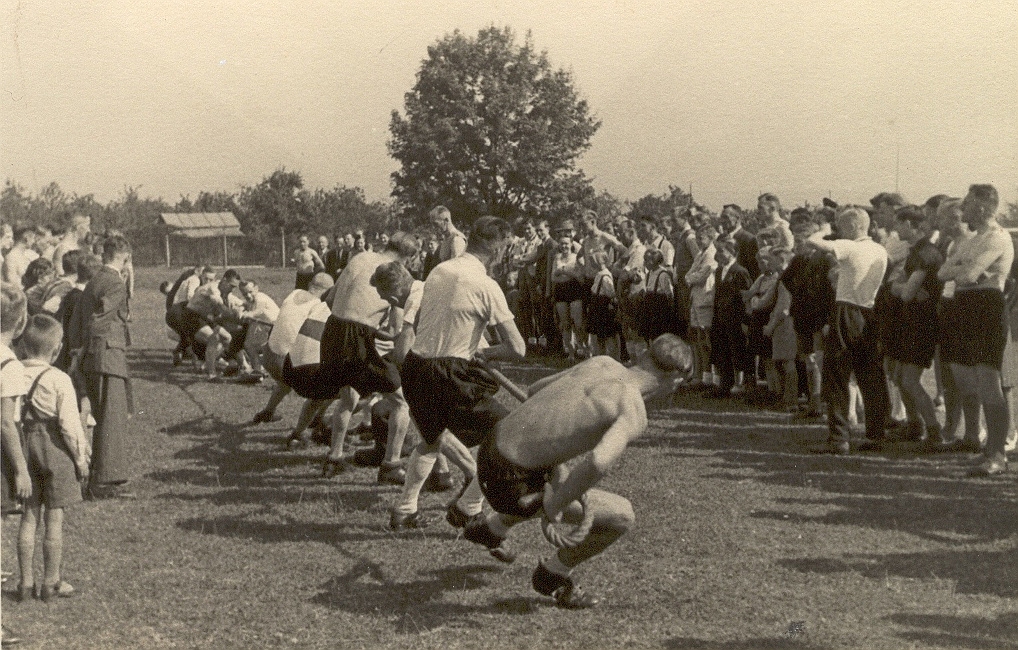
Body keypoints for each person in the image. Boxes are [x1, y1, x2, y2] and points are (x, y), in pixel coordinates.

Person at [461, 334, 691, 608]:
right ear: (675, 378)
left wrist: (555, 459)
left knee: (558, 479)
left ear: (644, 354)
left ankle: (492, 528)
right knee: (622, 516)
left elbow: (534, 390)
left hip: (489, 450)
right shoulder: (632, 410)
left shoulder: (601, 362)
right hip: (511, 483)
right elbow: (598, 462)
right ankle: (553, 575)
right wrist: (557, 503)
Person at [391, 216, 526, 531]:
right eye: (506, 247)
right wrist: (486, 353)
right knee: (510, 436)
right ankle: (468, 507)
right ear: (496, 248)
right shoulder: (486, 285)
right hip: (450, 373)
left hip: (417, 367)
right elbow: (518, 348)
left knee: (430, 441)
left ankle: (404, 510)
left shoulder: (439, 270)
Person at [937, 184, 1015, 475]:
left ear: (981, 208)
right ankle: (986, 448)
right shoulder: (973, 239)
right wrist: (966, 268)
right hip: (964, 307)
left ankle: (997, 454)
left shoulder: (998, 237)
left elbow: (967, 275)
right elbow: (943, 273)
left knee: (990, 384)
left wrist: (966, 268)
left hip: (986, 309)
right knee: (969, 382)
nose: (963, 209)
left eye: (968, 203)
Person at [15, 314, 90, 602]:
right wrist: (80, 459)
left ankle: (25, 583)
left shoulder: (12, 373)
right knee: (54, 520)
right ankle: (51, 582)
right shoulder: (59, 379)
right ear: (57, 350)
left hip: (24, 447)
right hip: (54, 448)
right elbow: (69, 426)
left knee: (29, 516)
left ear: (23, 346)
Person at [807, 207, 890, 454]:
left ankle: (839, 438)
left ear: (853, 226)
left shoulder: (852, 246)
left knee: (836, 376)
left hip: (846, 310)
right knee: (871, 376)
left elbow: (812, 242)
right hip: (869, 312)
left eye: (841, 226)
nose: (838, 232)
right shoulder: (880, 249)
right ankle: (876, 434)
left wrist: (824, 229)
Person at [67, 235, 135, 499]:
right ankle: (106, 482)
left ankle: (99, 476)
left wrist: (78, 351)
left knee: (103, 415)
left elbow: (77, 321)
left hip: (95, 357)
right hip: (107, 355)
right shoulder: (115, 282)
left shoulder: (94, 280)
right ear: (125, 258)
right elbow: (98, 320)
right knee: (111, 418)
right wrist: (88, 348)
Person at [884, 206, 945, 447]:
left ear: (909, 224)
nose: (896, 229)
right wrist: (901, 286)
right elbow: (900, 286)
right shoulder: (916, 251)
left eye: (899, 223)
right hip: (909, 321)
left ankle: (934, 431)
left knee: (909, 379)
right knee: (900, 376)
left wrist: (899, 287)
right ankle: (914, 425)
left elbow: (906, 292)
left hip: (922, 324)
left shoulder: (926, 253)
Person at [252, 272, 335, 425]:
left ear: (310, 284)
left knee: (284, 383)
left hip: (268, 355)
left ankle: (268, 412)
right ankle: (316, 420)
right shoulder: (319, 306)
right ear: (329, 292)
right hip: (285, 363)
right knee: (331, 384)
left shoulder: (294, 293)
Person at [709, 237, 753, 397]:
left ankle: (740, 384)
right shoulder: (719, 271)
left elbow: (746, 296)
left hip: (736, 318)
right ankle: (725, 384)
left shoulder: (740, 271)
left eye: (722, 251)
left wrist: (745, 320)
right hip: (721, 317)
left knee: (737, 350)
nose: (718, 254)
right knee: (723, 349)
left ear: (732, 252)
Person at [238, 280, 279, 379]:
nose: (248, 295)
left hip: (273, 325)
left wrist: (248, 314)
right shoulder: (251, 299)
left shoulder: (260, 297)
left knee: (250, 345)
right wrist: (240, 309)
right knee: (250, 345)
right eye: (244, 293)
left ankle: (258, 370)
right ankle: (259, 370)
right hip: (265, 325)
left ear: (256, 289)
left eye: (250, 292)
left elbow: (258, 311)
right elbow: (243, 304)